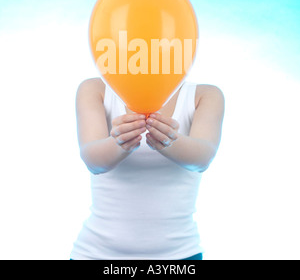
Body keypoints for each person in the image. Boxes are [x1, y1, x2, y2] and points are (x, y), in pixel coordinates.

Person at [70, 77, 225, 260]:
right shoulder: (96, 89)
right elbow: (93, 162)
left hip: (180, 255)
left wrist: (170, 141)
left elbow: (202, 159)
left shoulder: (205, 95)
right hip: (96, 254)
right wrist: (119, 143)